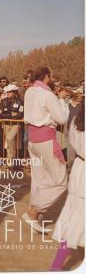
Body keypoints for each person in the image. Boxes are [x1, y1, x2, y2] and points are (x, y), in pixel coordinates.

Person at [23, 67, 69, 233]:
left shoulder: (29, 91)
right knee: (61, 181)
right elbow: (62, 118)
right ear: (45, 77)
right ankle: (33, 212)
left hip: (33, 140)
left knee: (39, 179)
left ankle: (35, 218)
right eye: (51, 75)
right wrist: (62, 100)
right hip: (46, 140)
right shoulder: (48, 95)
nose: (53, 78)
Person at [50, 100, 84, 270]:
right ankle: (56, 265)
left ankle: (56, 265)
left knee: (71, 216)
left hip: (79, 168)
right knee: (76, 219)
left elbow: (72, 144)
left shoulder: (77, 119)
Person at [1, 84, 24, 164]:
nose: (8, 93)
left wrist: (11, 115)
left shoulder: (20, 101)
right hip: (6, 124)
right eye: (7, 92)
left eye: (10, 92)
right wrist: (11, 114)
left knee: (10, 138)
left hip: (16, 124)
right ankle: (9, 162)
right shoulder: (3, 101)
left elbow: (20, 114)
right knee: (8, 142)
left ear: (14, 92)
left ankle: (12, 157)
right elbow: (2, 114)